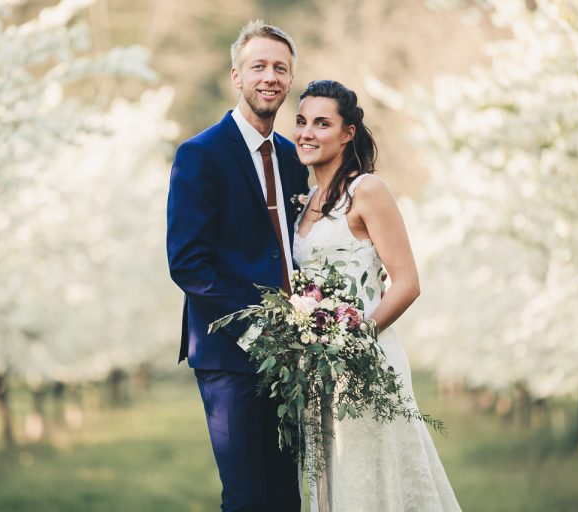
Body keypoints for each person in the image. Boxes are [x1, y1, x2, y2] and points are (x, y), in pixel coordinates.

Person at [292, 79, 462, 511]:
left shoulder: (366, 190)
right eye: (301, 121)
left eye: (322, 123)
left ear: (348, 133)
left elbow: (407, 282)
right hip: (317, 369)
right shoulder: (304, 200)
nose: (307, 132)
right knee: (334, 480)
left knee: (373, 479)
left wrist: (355, 337)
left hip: (366, 359)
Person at [166, 20, 309, 511]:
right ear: (236, 76)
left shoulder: (293, 158)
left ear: (290, 80)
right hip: (230, 353)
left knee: (286, 495)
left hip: (294, 355)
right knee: (247, 498)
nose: (270, 77)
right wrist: (255, 329)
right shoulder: (199, 155)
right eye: (259, 66)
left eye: (280, 68)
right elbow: (187, 262)